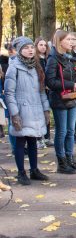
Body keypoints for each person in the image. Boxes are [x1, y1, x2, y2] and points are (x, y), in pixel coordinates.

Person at [4, 37, 50, 185]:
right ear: (19, 50)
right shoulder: (14, 67)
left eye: (31, 47)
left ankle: (34, 170)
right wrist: (15, 114)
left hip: (36, 108)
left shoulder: (36, 66)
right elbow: (9, 93)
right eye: (26, 47)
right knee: (20, 141)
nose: (30, 50)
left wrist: (46, 109)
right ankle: (21, 172)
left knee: (33, 141)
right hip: (22, 110)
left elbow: (42, 91)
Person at [45, 30, 76, 174]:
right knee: (61, 132)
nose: (71, 42)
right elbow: (50, 81)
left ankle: (70, 159)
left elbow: (72, 75)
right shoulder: (53, 59)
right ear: (59, 41)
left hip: (72, 99)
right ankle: (61, 163)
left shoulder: (69, 57)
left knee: (71, 131)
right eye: (68, 39)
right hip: (60, 100)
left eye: (73, 40)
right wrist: (71, 84)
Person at [34, 37, 53, 148]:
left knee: (47, 113)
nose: (43, 47)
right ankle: (38, 139)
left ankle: (47, 138)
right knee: (39, 115)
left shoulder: (48, 58)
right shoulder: (35, 60)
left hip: (48, 90)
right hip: (39, 90)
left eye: (45, 45)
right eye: (40, 45)